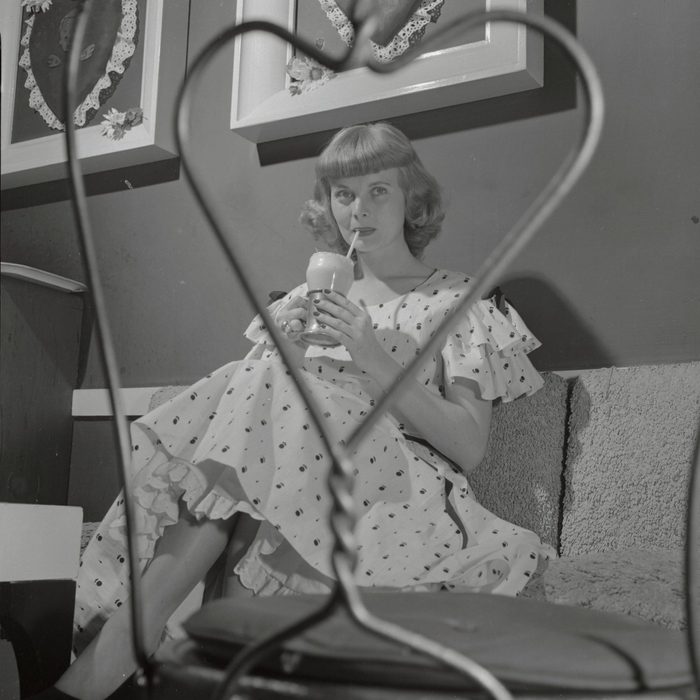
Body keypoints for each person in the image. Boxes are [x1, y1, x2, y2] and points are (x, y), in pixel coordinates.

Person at [46, 123, 553, 700]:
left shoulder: (461, 301)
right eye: (343, 193)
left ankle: (103, 669)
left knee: (263, 437)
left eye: (377, 191)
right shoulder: (302, 299)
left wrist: (372, 357)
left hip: (395, 490)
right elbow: (236, 426)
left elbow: (469, 447)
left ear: (413, 197)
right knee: (258, 398)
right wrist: (283, 355)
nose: (357, 210)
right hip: (290, 479)